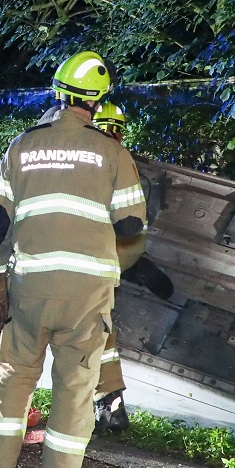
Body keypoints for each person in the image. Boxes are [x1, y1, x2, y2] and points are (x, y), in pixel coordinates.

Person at [0, 51, 146, 468]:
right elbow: (131, 225)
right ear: (98, 102)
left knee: (13, 381)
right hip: (86, 297)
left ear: (58, 93)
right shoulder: (112, 152)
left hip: (30, 287)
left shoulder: (22, 146)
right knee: (74, 392)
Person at [88, 101, 137, 434]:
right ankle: (110, 408)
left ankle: (105, 409)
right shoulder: (118, 160)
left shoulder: (78, 156)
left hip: (66, 266)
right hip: (97, 268)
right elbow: (131, 222)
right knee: (99, 336)